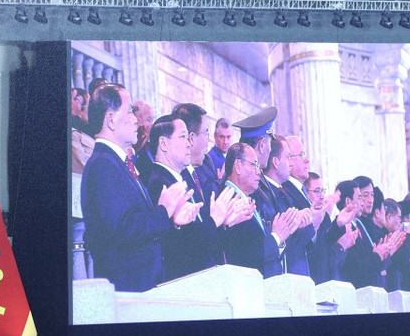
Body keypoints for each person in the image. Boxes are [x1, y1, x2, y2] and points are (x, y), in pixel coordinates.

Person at [79, 84, 201, 292]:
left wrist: (171, 220)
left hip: (140, 282)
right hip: (129, 286)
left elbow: (134, 223)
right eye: (128, 111)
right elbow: (123, 229)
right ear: (110, 120)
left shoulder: (116, 162)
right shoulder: (103, 165)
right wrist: (163, 211)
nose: (135, 119)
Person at [145, 115, 248, 280]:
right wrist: (214, 221)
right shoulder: (161, 184)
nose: (189, 143)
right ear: (163, 143)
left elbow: (201, 238)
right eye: (182, 137)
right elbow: (183, 249)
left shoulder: (180, 179)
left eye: (188, 137)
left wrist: (223, 223)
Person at [219, 143, 298, 278]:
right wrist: (276, 237)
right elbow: (245, 255)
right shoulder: (230, 201)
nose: (258, 171)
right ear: (238, 166)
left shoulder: (243, 199)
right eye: (254, 164)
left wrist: (280, 237)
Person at [256, 135, 314, 276]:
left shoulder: (284, 191)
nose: (291, 164)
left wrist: (303, 223)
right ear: (275, 162)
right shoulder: (263, 193)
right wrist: (295, 225)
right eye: (288, 157)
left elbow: (304, 235)